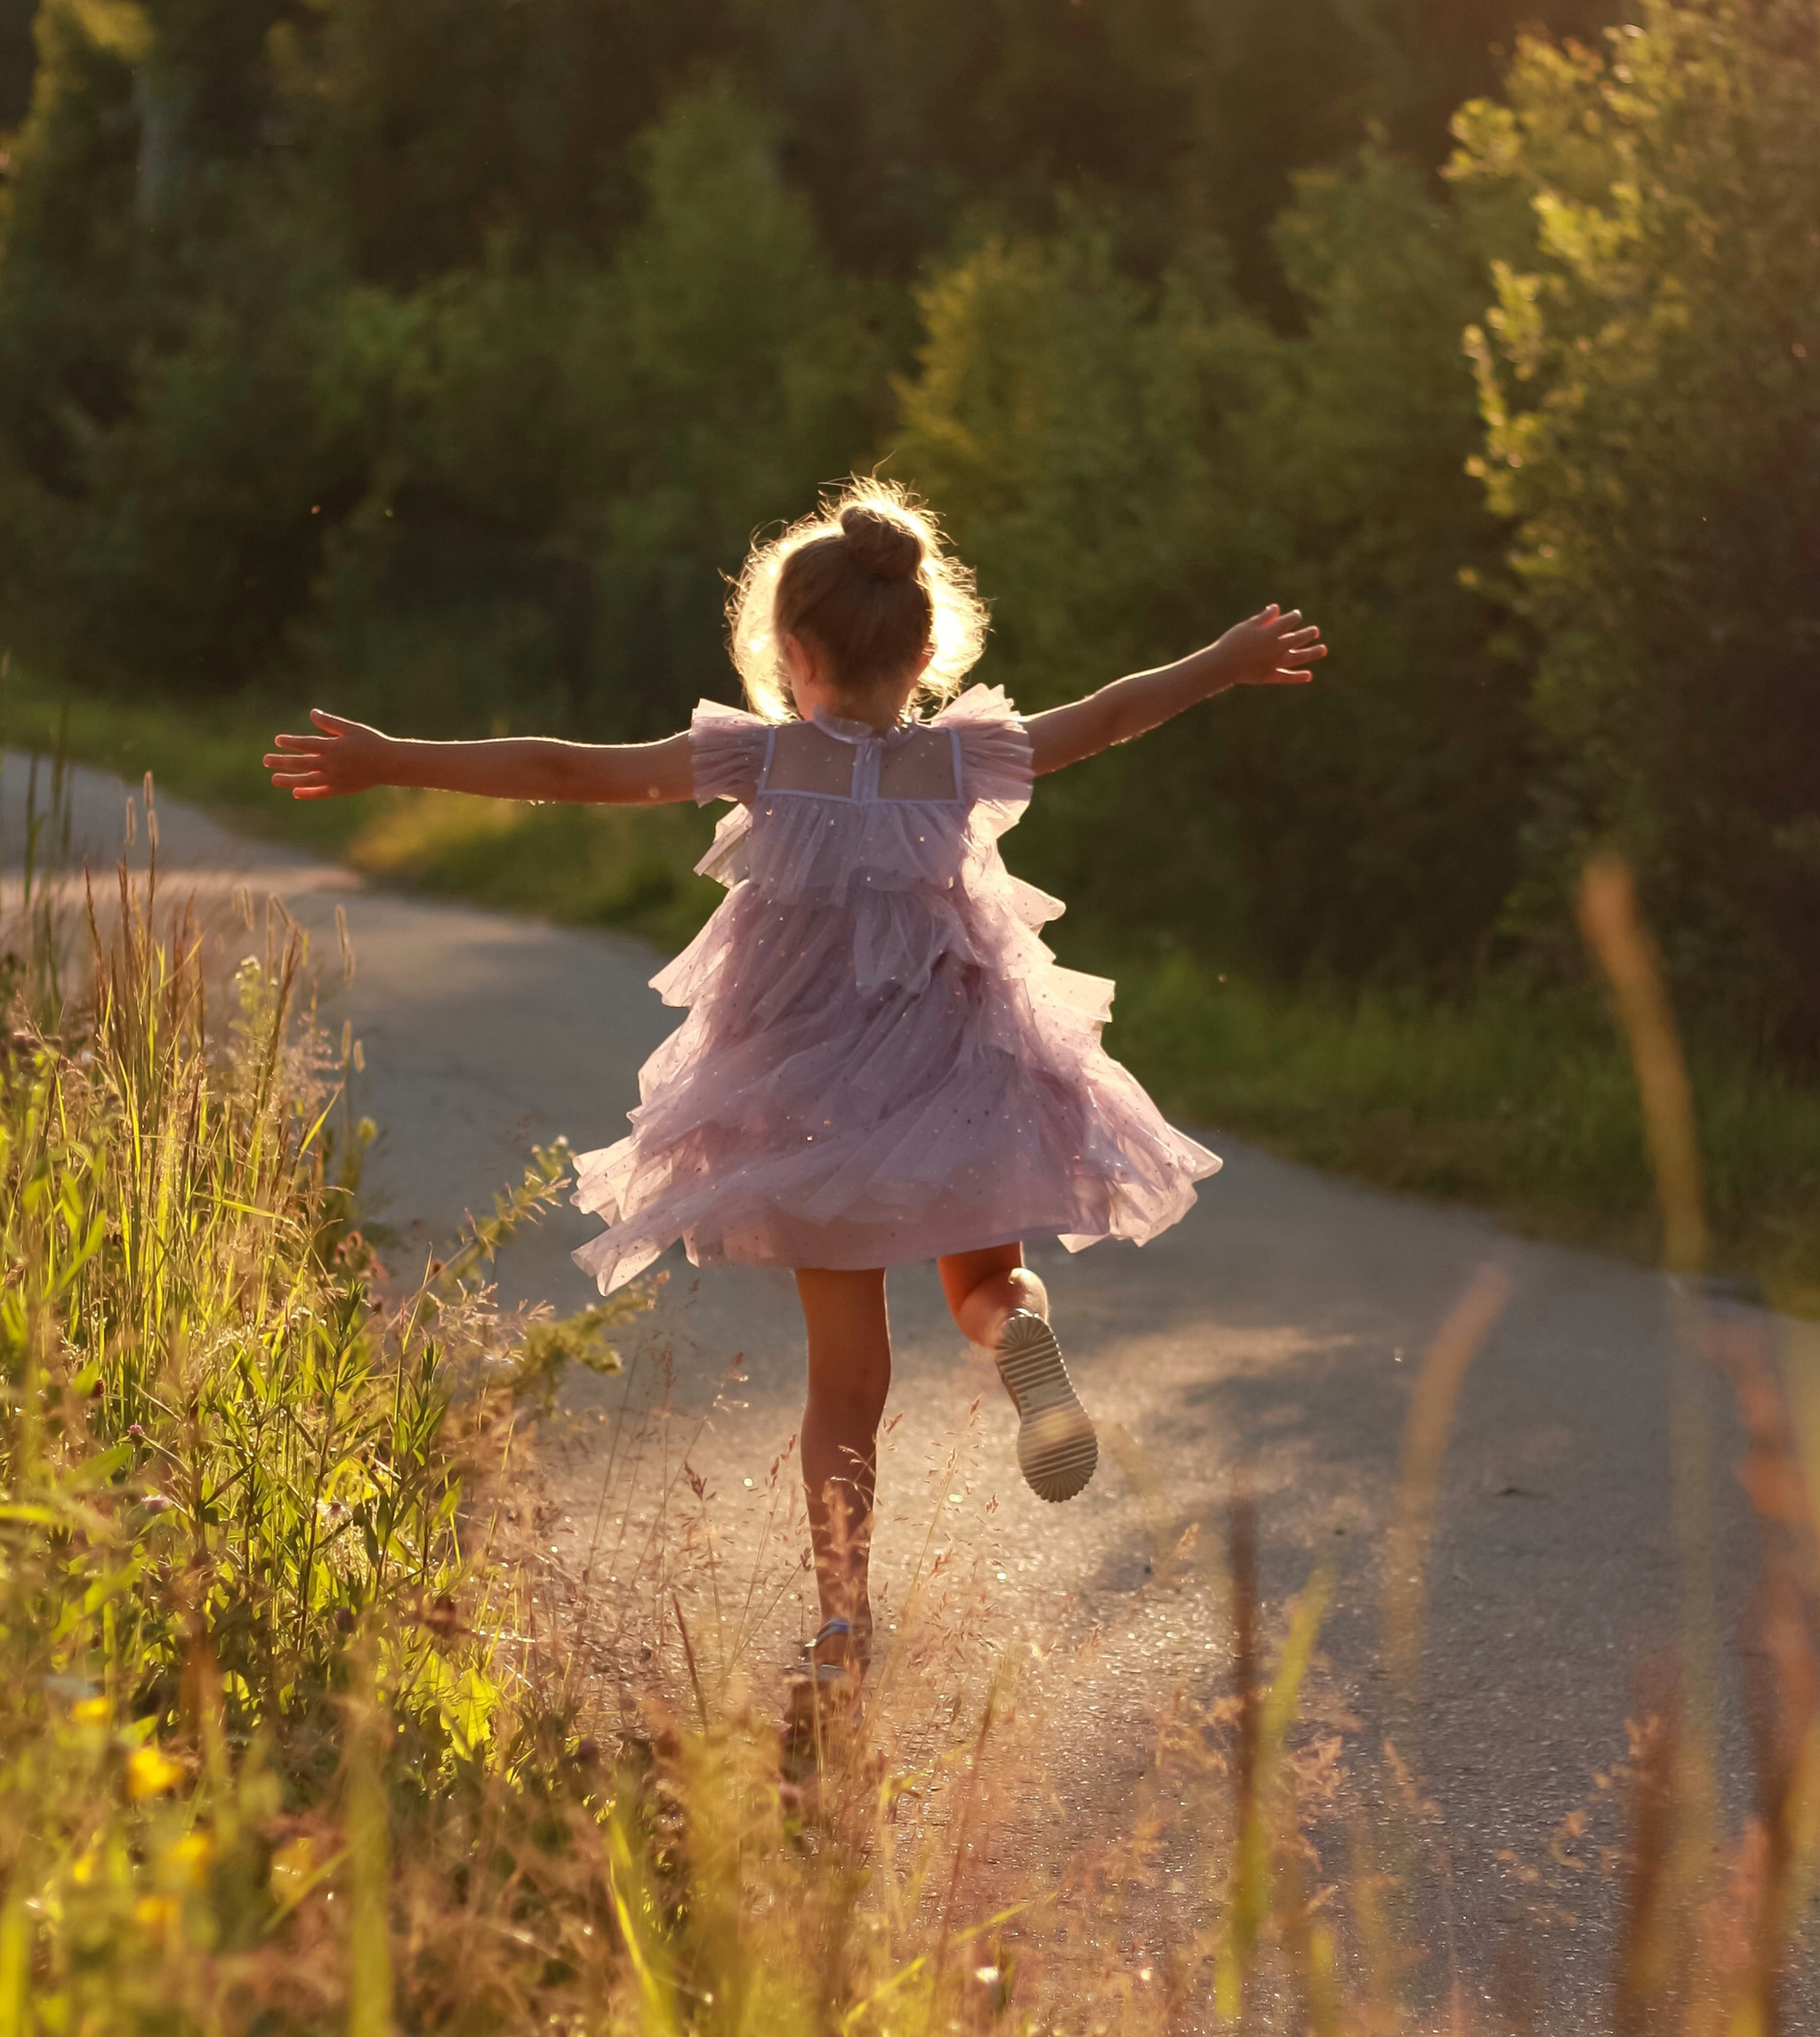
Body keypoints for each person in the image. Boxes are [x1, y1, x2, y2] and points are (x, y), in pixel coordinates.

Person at [264, 479, 1324, 1717]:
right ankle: (1015, 1340)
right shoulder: (962, 755)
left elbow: (564, 766)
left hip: (814, 1098)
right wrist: (1228, 658)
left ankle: (840, 1620)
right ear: (927, 652)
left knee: (845, 1380)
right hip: (956, 1066)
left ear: (791, 650)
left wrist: (394, 758)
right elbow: (1115, 712)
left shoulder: (757, 759)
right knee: (986, 1282)